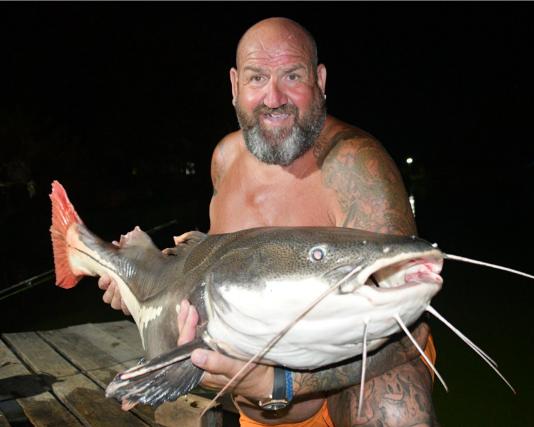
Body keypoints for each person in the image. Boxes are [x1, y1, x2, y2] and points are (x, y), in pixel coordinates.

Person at [99, 17, 438, 427]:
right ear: (234, 85)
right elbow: (208, 273)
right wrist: (140, 287)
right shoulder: (224, 158)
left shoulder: (357, 166)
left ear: (320, 80)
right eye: (256, 78)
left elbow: (410, 332)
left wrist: (279, 382)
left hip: (351, 391)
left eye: (292, 76)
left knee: (394, 406)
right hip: (257, 410)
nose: (273, 98)